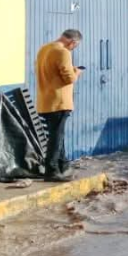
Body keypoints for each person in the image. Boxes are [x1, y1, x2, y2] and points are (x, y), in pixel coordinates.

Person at [35, 29, 84, 182]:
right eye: (74, 46)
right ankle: (51, 171)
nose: (73, 49)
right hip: (59, 101)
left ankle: (63, 165)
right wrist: (77, 72)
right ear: (72, 42)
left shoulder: (44, 49)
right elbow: (69, 78)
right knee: (56, 138)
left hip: (45, 100)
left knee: (57, 135)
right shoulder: (63, 52)